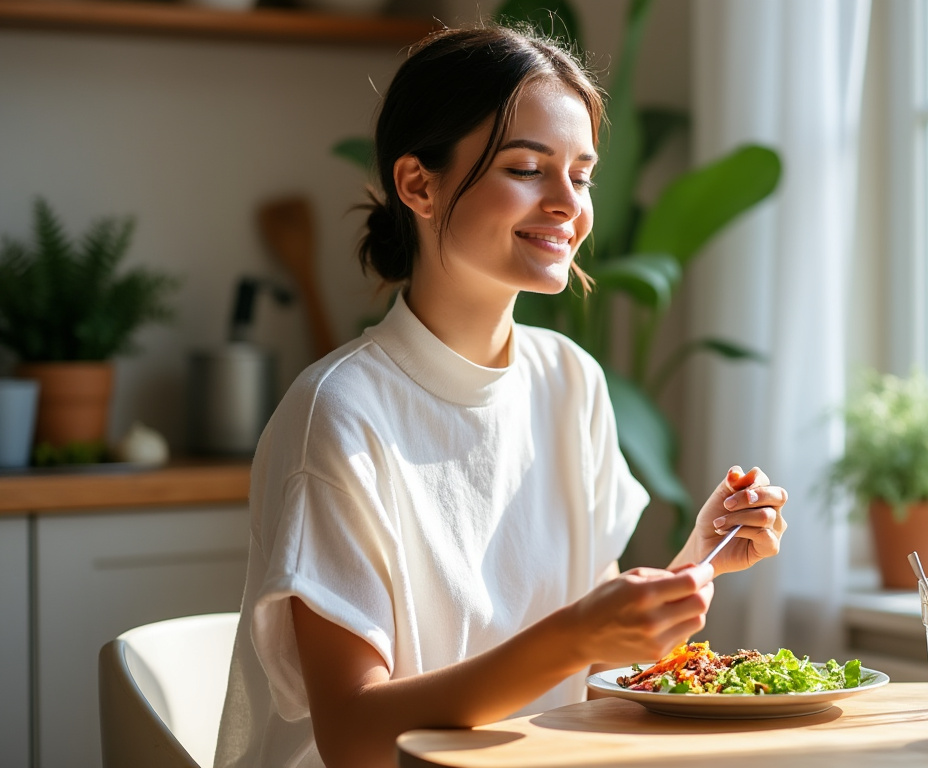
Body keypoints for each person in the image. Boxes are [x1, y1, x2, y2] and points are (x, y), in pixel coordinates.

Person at [213, 24, 789, 768]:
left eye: (580, 176)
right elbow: (354, 738)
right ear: (418, 184)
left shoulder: (569, 380)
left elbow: (594, 678)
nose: (567, 205)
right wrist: (575, 635)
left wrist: (696, 564)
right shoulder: (341, 412)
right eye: (526, 168)